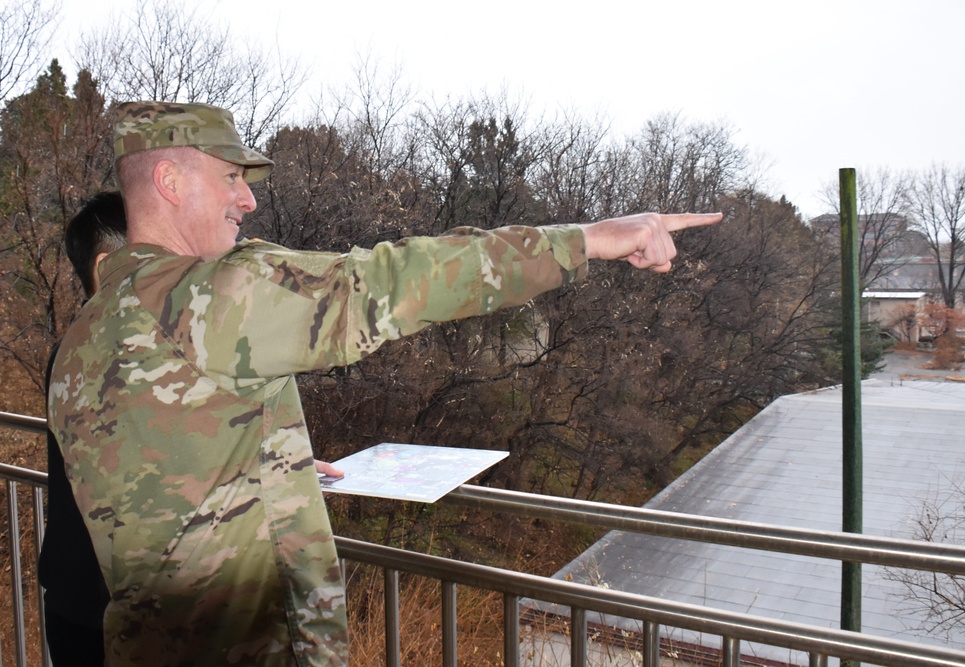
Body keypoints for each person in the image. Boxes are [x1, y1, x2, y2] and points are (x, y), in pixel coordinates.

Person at [48, 100, 721, 666]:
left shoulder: (84, 334)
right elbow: (395, 280)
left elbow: (155, 461)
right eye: (230, 177)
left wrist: (262, 461)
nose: (247, 198)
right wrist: (590, 239)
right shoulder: (210, 297)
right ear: (169, 179)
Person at [39, 191, 126, 666]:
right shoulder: (102, 351)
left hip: (82, 599)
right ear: (108, 265)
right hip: (103, 612)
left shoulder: (77, 343)